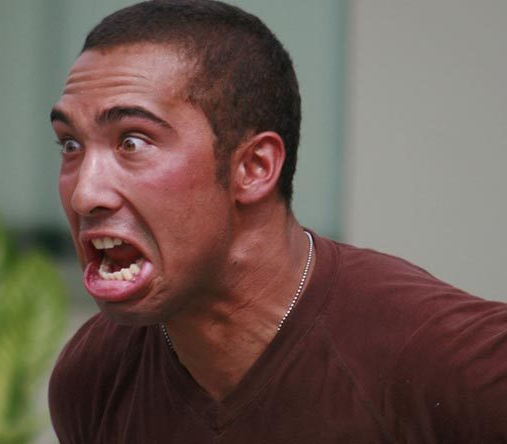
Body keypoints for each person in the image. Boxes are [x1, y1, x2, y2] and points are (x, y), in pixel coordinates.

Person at [48, 1, 507, 442]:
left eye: (132, 142)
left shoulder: (445, 359)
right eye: (70, 145)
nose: (85, 193)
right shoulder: (95, 376)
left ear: (254, 168)